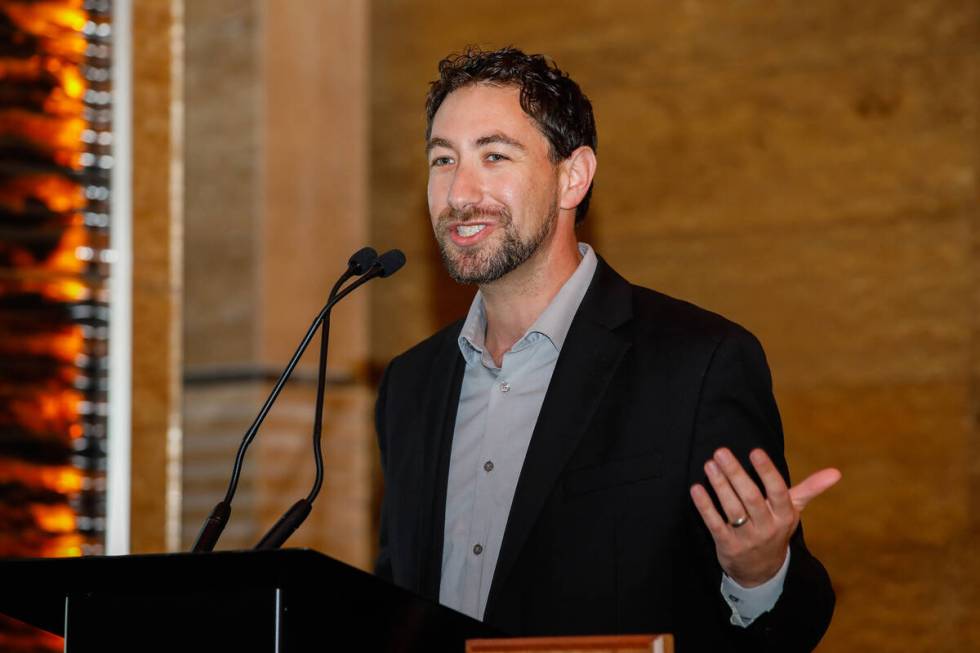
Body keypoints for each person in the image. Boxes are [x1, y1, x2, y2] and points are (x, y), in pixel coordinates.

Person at [374, 46, 840, 652]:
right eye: (443, 159)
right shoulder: (411, 384)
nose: (460, 191)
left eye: (494, 155)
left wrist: (758, 575)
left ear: (573, 176)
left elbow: (796, 623)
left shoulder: (697, 363)